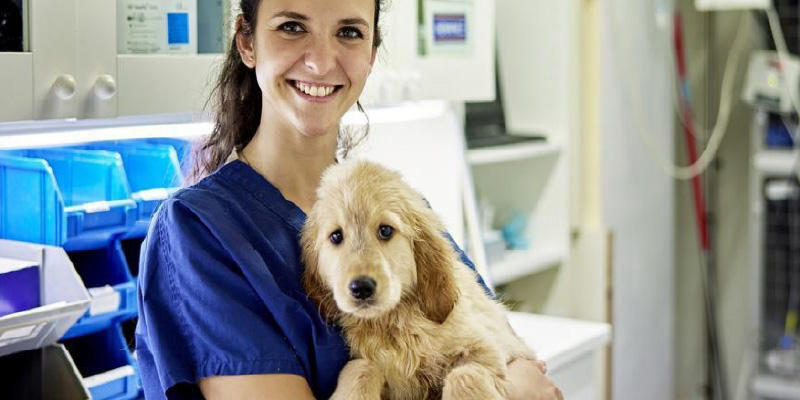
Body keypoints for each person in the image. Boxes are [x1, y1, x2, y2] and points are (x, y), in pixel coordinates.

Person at [135, 0, 564, 399]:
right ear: (247, 41)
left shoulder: (399, 206)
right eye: (292, 26)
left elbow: (495, 341)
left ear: (372, 53)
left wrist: (516, 380)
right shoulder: (200, 231)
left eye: (349, 32)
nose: (321, 61)